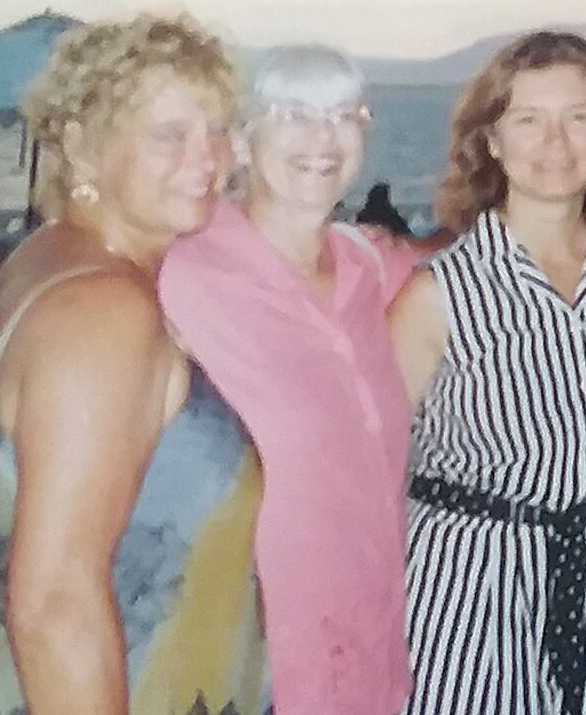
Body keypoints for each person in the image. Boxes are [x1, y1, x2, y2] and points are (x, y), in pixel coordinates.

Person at [0, 14, 267, 714]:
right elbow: (57, 608)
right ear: (78, 145)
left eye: (220, 128)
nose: (210, 160)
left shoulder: (35, 265)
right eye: (171, 134)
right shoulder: (106, 311)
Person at [388, 31, 586, 714]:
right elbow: (367, 466)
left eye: (580, 117)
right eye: (528, 119)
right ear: (492, 141)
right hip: (466, 589)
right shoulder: (439, 293)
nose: (556, 142)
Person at [157, 46, 416, 715]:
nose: (322, 138)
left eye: (342, 116)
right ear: (242, 143)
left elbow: (474, 264)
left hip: (372, 640)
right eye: (292, 115)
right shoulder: (182, 272)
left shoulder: (367, 265)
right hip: (252, 659)